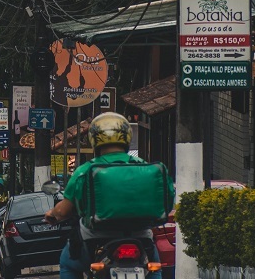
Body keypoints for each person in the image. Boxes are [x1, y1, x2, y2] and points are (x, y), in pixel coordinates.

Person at [44, 112, 174, 279]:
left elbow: (63, 211)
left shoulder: (85, 171)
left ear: (94, 140)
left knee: (67, 262)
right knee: (154, 267)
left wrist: (52, 215)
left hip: (94, 240)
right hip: (141, 238)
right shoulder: (146, 167)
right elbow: (167, 203)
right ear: (126, 137)